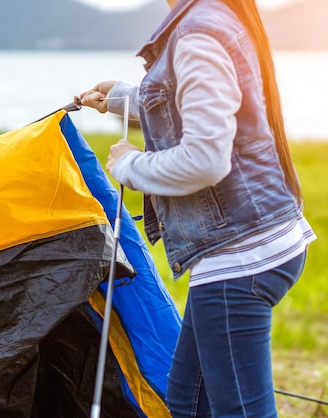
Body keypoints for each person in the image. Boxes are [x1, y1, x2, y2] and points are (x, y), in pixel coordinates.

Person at [77, 0, 315, 416]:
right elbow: (184, 106)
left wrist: (130, 165)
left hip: (240, 259)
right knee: (188, 402)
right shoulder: (207, 20)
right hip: (252, 243)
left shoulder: (197, 33)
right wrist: (120, 98)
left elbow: (206, 158)